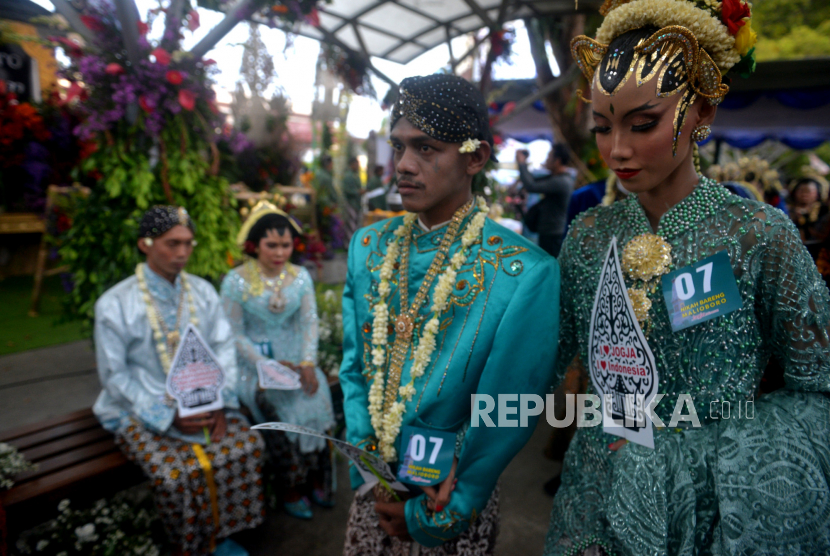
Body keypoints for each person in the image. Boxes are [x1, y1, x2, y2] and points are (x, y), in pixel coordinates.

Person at [544, 1, 830, 554]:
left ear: (702, 111)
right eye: (602, 127)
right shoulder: (586, 235)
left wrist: (710, 455)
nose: (617, 150)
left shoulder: (756, 236)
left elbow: (816, 385)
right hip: (595, 492)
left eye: (643, 123)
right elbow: (538, 365)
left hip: (709, 506)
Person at [339, 74, 561, 555]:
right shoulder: (368, 247)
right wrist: (370, 466)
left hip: (447, 500)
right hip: (374, 490)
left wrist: (449, 504)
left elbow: (507, 408)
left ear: (475, 157)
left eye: (426, 148)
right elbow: (355, 367)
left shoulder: (522, 272)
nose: (404, 165)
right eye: (399, 147)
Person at [93, 206, 265, 556]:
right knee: (174, 474)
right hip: (139, 405)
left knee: (246, 447)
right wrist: (166, 415)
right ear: (146, 243)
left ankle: (223, 536)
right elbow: (115, 376)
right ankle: (188, 547)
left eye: (188, 243)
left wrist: (220, 404)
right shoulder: (115, 304)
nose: (182, 253)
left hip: (205, 401)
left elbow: (223, 349)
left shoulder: (201, 292)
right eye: (172, 244)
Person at [220, 202, 335, 520]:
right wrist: (265, 365)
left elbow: (309, 322)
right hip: (254, 367)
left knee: (316, 395)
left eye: (285, 244)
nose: (280, 251)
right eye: (272, 244)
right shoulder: (235, 281)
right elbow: (233, 334)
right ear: (254, 245)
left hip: (297, 363)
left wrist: (308, 362)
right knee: (276, 404)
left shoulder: (300, 277)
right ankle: (289, 488)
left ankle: (315, 479)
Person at [516, 143, 576, 257]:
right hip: (549, 232)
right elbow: (532, 180)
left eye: (549, 156)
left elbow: (531, 185)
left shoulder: (562, 181)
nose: (546, 159)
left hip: (552, 235)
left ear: (557, 161)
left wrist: (521, 163)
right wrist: (524, 163)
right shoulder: (558, 177)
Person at [787, 173, 829, 243]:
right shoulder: (787, 210)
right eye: (801, 191)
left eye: (808, 191)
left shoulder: (824, 211)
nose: (804, 194)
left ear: (817, 193)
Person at [341, 156, 364, 239]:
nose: (358, 165)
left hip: (357, 203)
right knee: (351, 225)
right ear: (352, 164)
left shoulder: (355, 175)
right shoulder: (348, 176)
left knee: (356, 224)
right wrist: (358, 192)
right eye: (356, 164)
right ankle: (349, 244)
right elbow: (346, 190)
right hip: (351, 204)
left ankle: (353, 242)